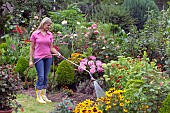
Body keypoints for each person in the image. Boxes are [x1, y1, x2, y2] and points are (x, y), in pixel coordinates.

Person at [29, 17, 62, 104]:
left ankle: (44, 95)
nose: (49, 27)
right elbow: (32, 48)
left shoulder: (50, 35)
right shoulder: (35, 34)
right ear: (43, 24)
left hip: (48, 57)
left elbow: (51, 48)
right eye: (48, 25)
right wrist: (31, 60)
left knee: (46, 77)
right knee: (41, 77)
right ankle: (38, 96)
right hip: (38, 57)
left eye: (50, 26)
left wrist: (58, 53)